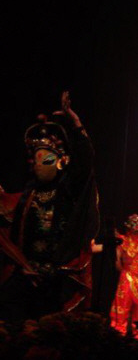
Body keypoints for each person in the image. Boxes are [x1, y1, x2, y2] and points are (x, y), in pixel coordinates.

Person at [0, 91, 99, 321]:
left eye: (46, 160)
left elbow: (85, 162)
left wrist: (75, 123)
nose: (39, 165)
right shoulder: (26, 196)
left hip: (57, 277)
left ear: (61, 162)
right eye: (36, 160)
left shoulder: (68, 192)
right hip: (26, 274)